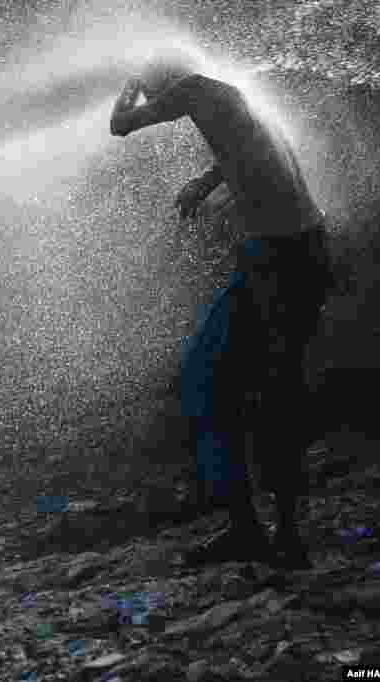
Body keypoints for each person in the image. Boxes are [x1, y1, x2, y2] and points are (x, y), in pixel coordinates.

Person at [110, 49, 335, 569]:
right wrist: (207, 182)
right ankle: (287, 535)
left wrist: (128, 82)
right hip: (307, 248)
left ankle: (250, 532)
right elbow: (253, 145)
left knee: (203, 384)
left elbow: (120, 125)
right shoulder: (229, 96)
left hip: (274, 260)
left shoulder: (189, 90)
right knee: (278, 390)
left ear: (163, 82)